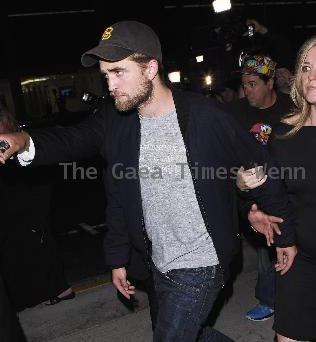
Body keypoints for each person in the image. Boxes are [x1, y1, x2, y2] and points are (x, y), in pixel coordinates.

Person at [0, 21, 297, 341]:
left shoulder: (204, 115)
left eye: (119, 72)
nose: (110, 85)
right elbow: (95, 168)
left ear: (151, 67)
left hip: (202, 263)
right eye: (106, 76)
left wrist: (286, 235)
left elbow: (260, 165)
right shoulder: (117, 123)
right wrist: (23, 141)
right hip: (157, 263)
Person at [237, 29, 316, 342]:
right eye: (306, 67)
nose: (311, 75)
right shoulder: (283, 134)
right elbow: (268, 191)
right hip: (298, 259)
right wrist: (247, 199)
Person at [227, 54, 293, 322]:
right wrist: (236, 178)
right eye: (244, 85)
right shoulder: (234, 112)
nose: (247, 90)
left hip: (288, 187)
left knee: (288, 246)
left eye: (253, 84)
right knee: (268, 244)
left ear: (270, 83)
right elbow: (221, 154)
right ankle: (270, 298)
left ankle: (286, 297)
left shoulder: (292, 110)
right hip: (251, 193)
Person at [0, 107, 75, 310]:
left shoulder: (12, 140)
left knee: (28, 243)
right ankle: (54, 289)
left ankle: (49, 291)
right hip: (27, 199)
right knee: (33, 240)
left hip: (24, 198)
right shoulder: (15, 134)